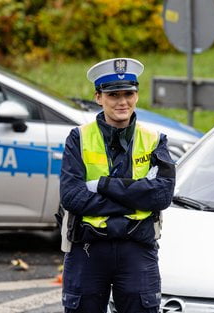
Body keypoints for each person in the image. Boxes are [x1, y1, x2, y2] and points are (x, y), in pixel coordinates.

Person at [58, 58, 175, 313]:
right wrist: (135, 195)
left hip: (137, 247)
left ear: (137, 95)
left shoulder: (155, 139)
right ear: (98, 97)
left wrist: (102, 185)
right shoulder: (78, 137)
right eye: (113, 95)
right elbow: (72, 197)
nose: (122, 102)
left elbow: (162, 195)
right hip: (88, 248)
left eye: (128, 94)